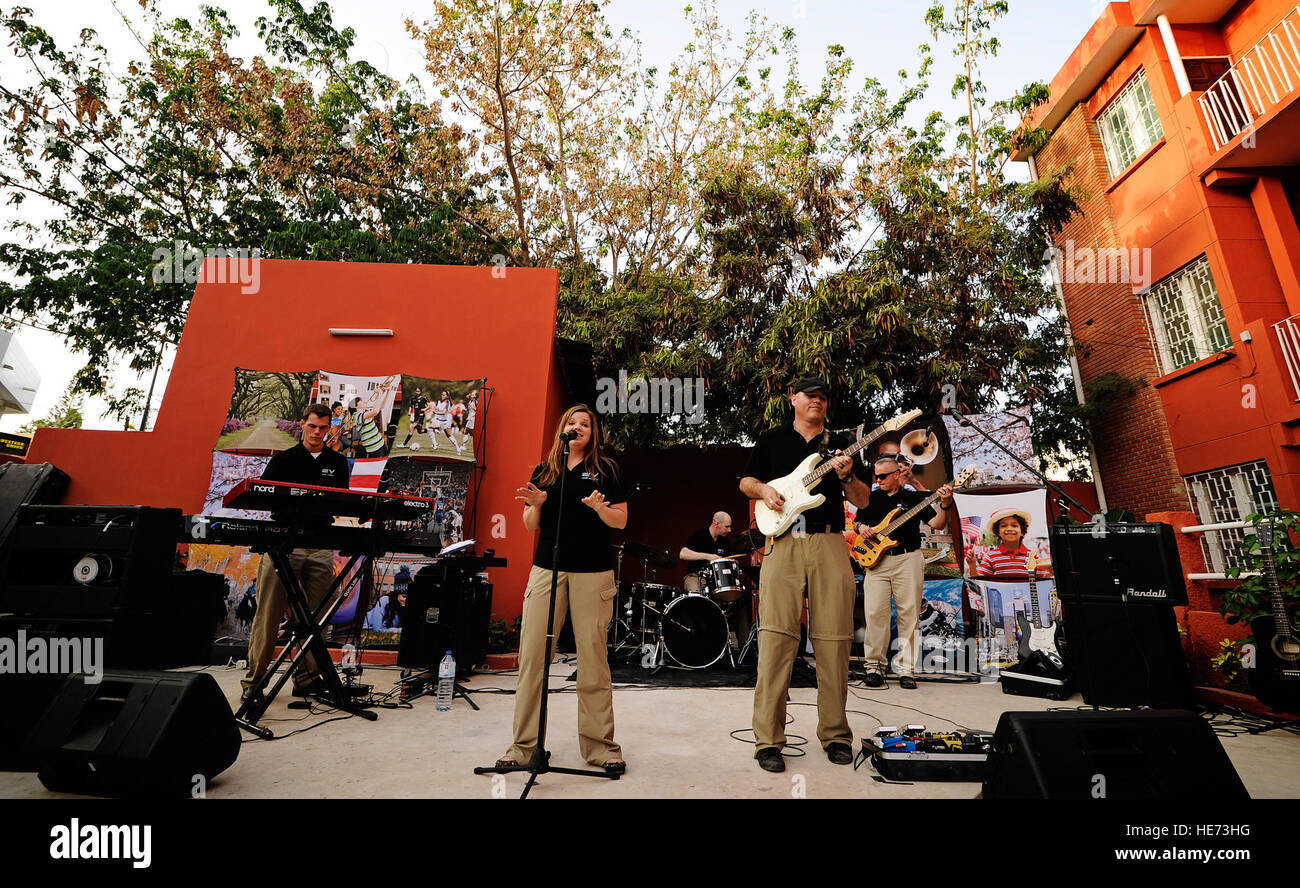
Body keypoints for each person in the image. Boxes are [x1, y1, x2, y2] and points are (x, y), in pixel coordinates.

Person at [739, 377, 873, 772]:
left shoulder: (841, 444)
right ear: (792, 399)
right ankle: (768, 740)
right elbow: (745, 481)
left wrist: (847, 476)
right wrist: (764, 491)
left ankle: (835, 735)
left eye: (823, 396)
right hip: (783, 542)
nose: (817, 400)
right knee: (777, 638)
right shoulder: (771, 440)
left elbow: (863, 500)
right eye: (810, 395)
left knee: (835, 640)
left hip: (831, 543)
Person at [497, 405, 627, 775]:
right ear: (562, 430)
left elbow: (621, 520)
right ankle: (523, 747)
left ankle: (601, 748)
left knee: (592, 660)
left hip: (593, 572)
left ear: (594, 433)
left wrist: (602, 510)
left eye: (585, 424)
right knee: (533, 658)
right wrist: (535, 505)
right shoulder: (545, 471)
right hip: (547, 570)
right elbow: (528, 525)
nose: (578, 427)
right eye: (572, 422)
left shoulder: (608, 470)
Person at [242, 404, 351, 705]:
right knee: (269, 614)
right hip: (283, 545)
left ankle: (307, 679)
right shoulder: (284, 460)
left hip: (320, 546)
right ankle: (254, 682)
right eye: (313, 426)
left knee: (316, 617)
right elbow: (264, 497)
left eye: (323, 428)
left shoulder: (338, 463)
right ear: (302, 424)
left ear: (330, 428)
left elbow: (342, 501)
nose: (317, 433)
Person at [856, 456, 953, 689]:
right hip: (876, 562)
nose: (878, 481)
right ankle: (874, 667)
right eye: (876, 476)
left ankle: (905, 668)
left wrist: (946, 503)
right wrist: (863, 528)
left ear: (897, 474)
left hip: (908, 558)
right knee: (874, 615)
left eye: (883, 476)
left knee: (909, 615)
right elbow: (857, 523)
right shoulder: (870, 497)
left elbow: (938, 524)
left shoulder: (914, 498)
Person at [965, 507, 1052, 578]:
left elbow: (1043, 579)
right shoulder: (991, 556)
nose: (1009, 529)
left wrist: (1051, 572)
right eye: (1003, 526)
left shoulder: (1032, 555)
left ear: (1022, 531)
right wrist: (972, 566)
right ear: (998, 532)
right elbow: (979, 580)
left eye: (1014, 525)